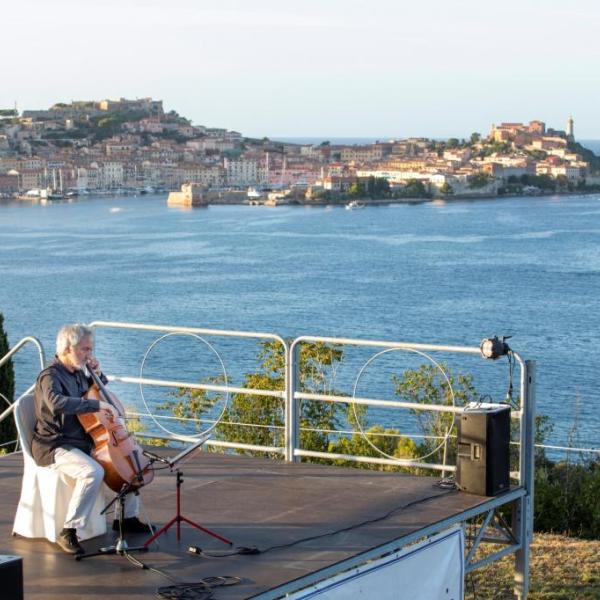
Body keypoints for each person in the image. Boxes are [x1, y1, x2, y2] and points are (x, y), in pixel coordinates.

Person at [32, 323, 151, 555]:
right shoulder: (50, 376)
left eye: (90, 349)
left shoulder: (79, 373)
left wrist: (97, 374)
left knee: (126, 463)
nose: (89, 354)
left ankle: (126, 518)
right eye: (85, 350)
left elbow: (98, 392)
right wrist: (97, 404)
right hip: (56, 444)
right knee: (93, 471)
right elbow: (58, 402)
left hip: (83, 441)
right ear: (67, 348)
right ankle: (68, 530)